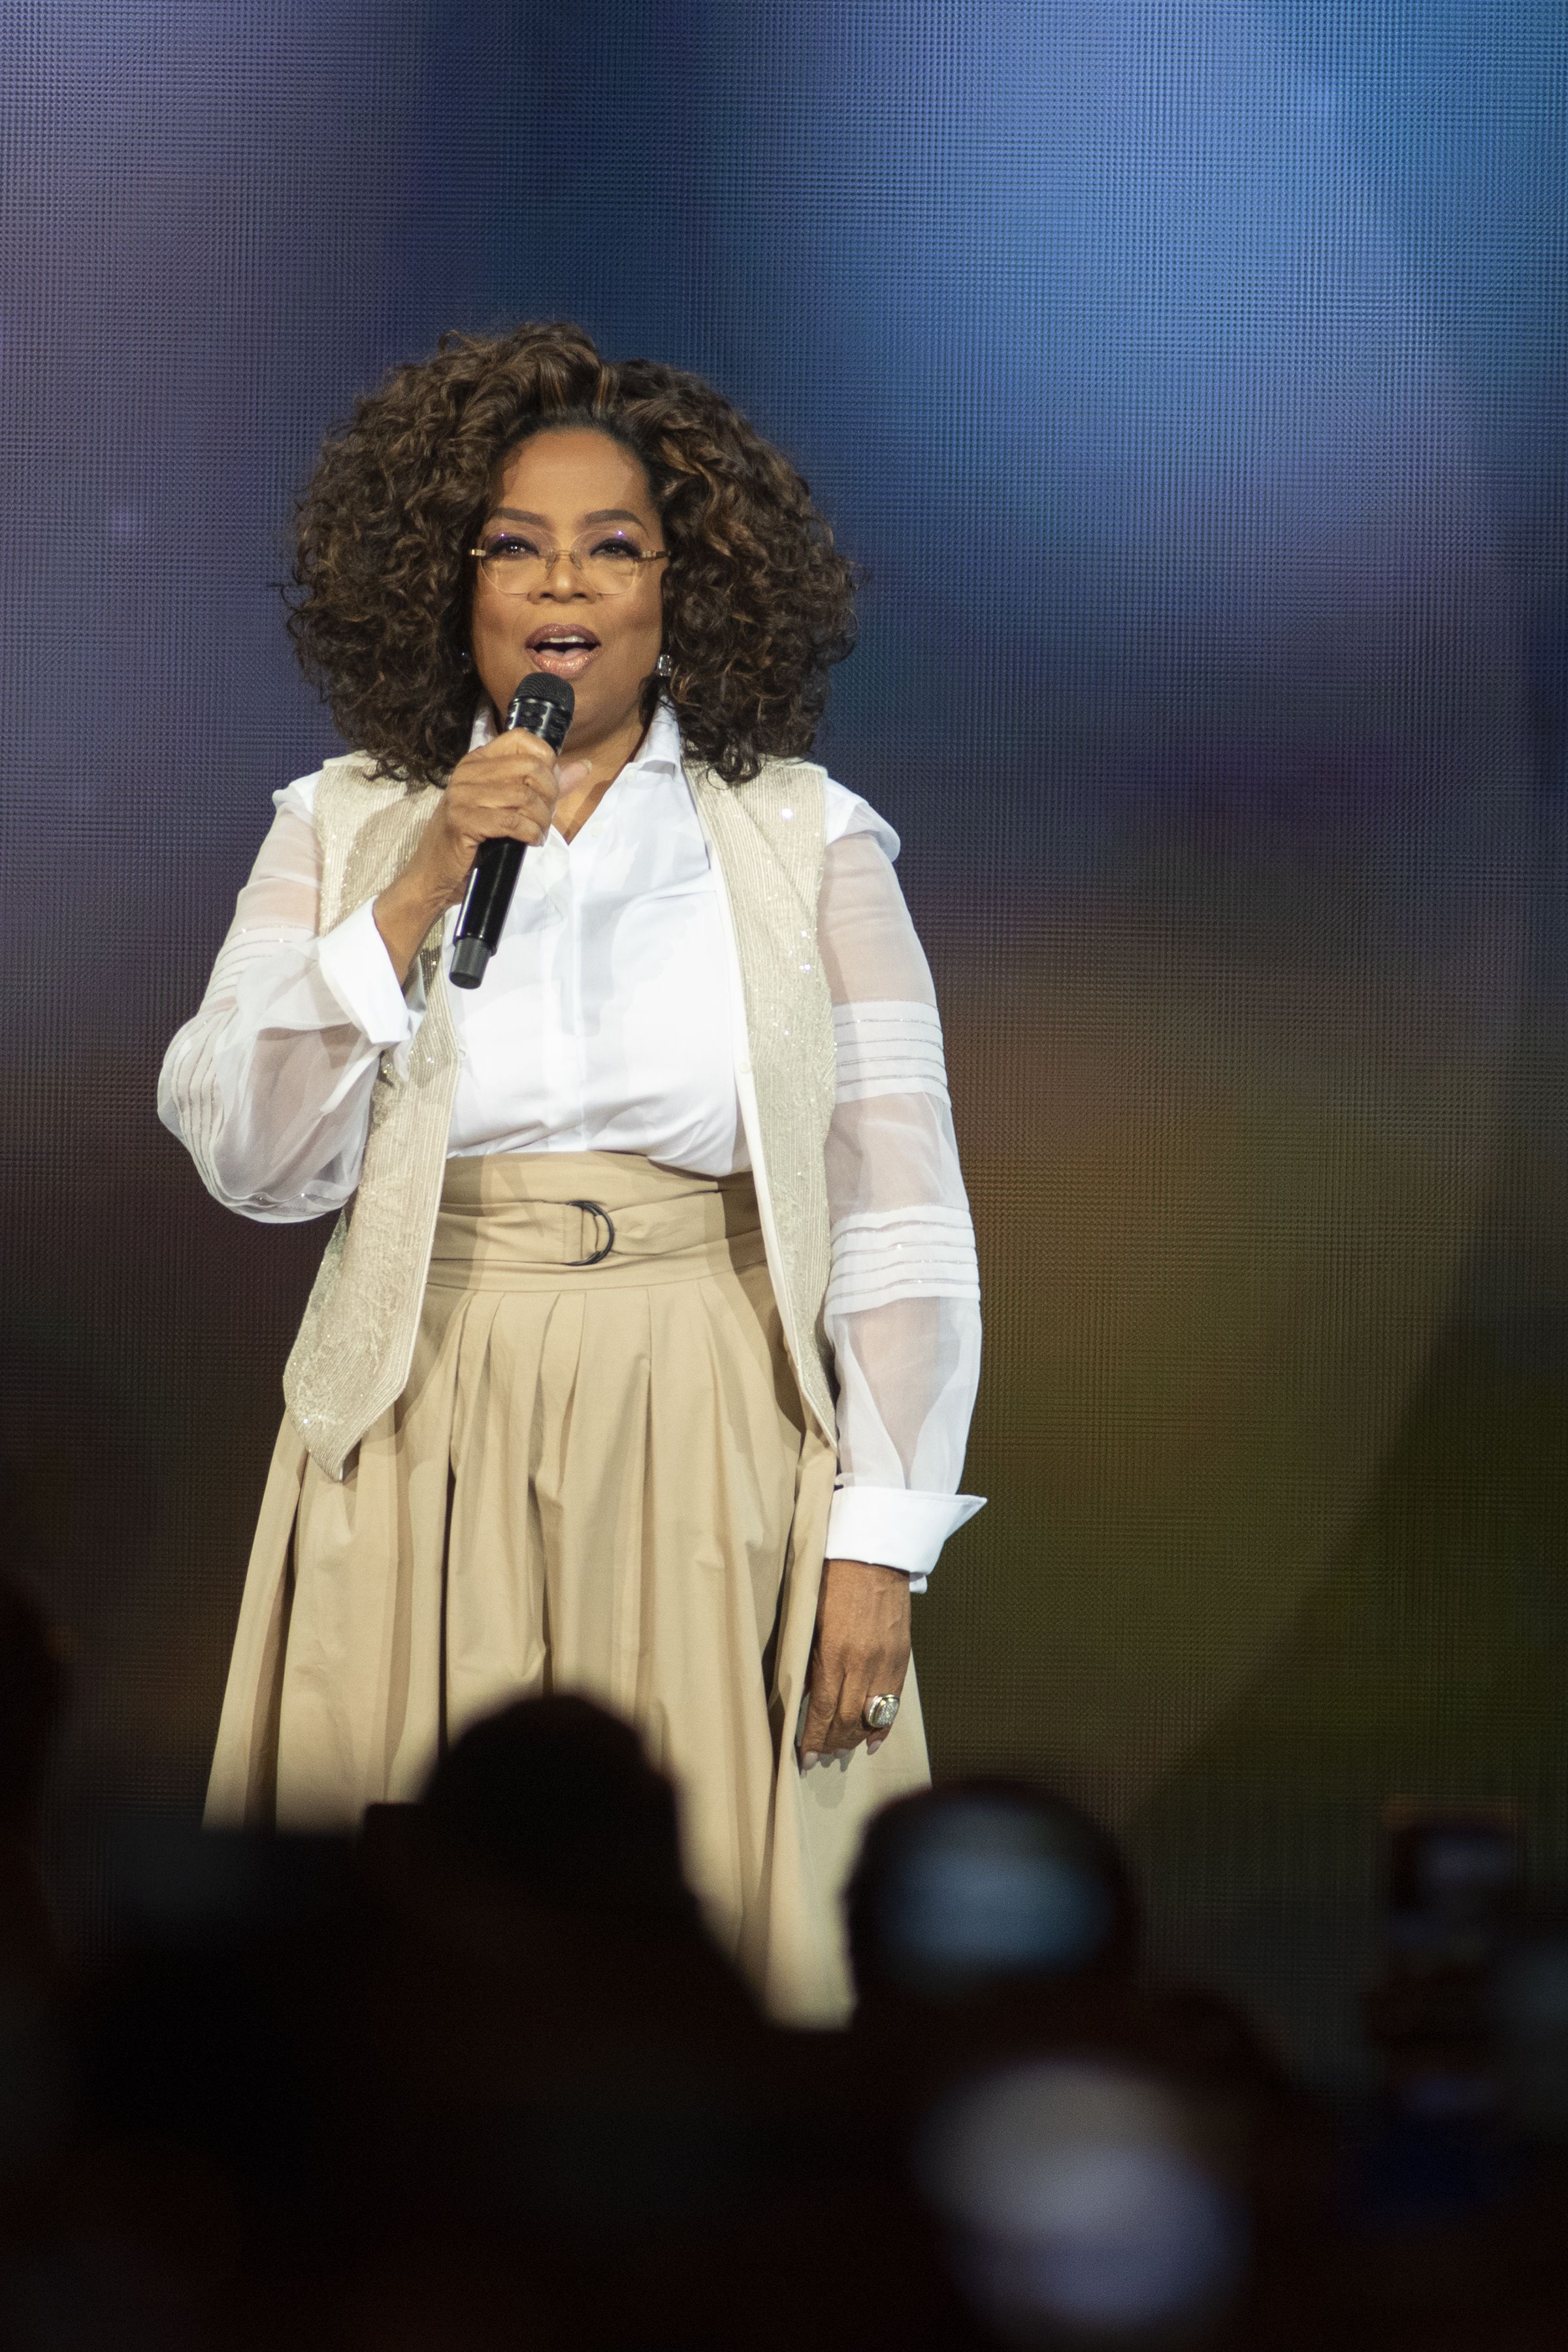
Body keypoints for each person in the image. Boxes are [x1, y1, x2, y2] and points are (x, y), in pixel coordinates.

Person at [159, 319, 983, 2022]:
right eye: (517, 542)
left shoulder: (804, 834)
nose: (566, 581)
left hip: (708, 1406)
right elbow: (244, 1149)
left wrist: (879, 1545)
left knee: (713, 1953)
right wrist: (424, 867)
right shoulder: (345, 819)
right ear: (444, 577)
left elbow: (902, 1210)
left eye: (616, 546)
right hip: (423, 1406)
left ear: (689, 589)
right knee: (411, 1968)